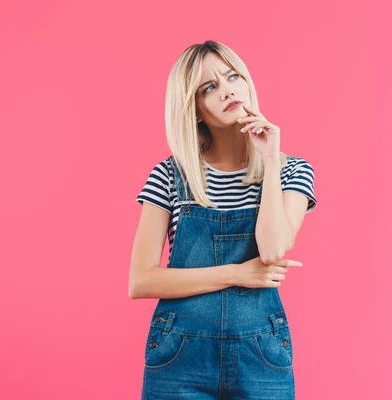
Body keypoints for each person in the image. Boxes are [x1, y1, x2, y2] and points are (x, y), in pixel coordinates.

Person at [130, 40, 317, 399]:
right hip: (179, 354)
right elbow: (140, 280)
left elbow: (273, 249)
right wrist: (236, 274)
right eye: (209, 88)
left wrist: (272, 159)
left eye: (232, 76)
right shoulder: (170, 176)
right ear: (195, 109)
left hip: (260, 353)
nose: (227, 90)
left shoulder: (293, 170)